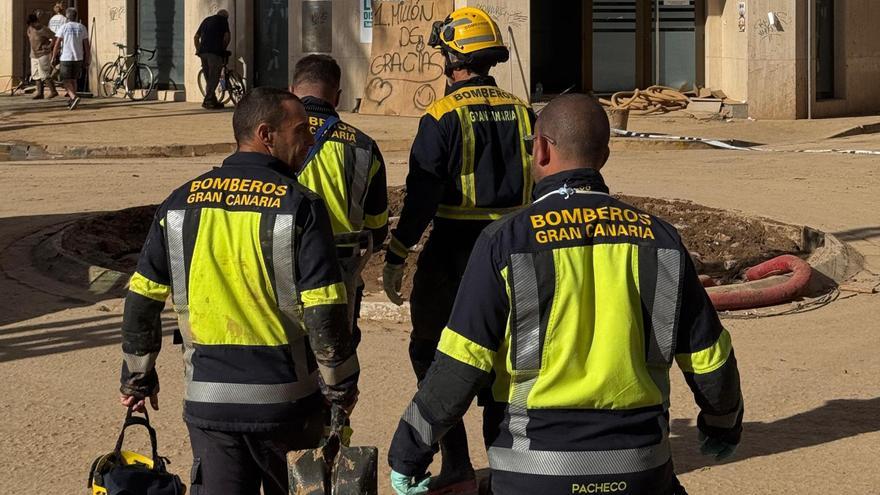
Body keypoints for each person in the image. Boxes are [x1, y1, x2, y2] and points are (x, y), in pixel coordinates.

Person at [387, 94, 744, 495]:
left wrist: (409, 452)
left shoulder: (505, 242)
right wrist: (723, 424)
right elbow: (708, 357)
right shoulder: (659, 240)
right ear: (604, 155)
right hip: (641, 468)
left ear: (539, 149)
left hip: (532, 472)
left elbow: (461, 363)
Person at [117, 87, 360, 495]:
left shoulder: (180, 203)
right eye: (301, 131)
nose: (310, 141)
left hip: (209, 403)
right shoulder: (300, 206)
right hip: (287, 404)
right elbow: (324, 309)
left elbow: (141, 300)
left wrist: (136, 381)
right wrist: (341, 387)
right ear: (267, 135)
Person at [382, 7, 535, 492]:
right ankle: (506, 468)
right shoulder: (522, 110)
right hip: (516, 249)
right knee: (505, 363)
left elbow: (422, 195)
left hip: (454, 252)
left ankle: (457, 464)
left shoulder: (442, 116)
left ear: (453, 58)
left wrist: (397, 252)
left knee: (432, 353)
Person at [289, 54, 389, 347]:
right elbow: (378, 226)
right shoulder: (362, 146)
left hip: (283, 262)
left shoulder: (275, 139)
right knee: (336, 357)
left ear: (291, 90)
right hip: (341, 272)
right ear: (339, 96)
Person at [51, 8, 89, 110]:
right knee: (73, 80)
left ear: (67, 17)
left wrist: (53, 57)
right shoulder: (82, 27)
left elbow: (57, 44)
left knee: (65, 80)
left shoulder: (63, 27)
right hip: (78, 57)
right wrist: (87, 58)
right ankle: (72, 101)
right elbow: (86, 45)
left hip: (66, 57)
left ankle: (74, 97)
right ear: (75, 16)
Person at [194, 9, 231, 109]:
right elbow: (227, 37)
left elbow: (196, 37)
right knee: (214, 77)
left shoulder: (206, 20)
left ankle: (213, 100)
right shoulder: (223, 20)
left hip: (203, 53)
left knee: (208, 77)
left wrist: (198, 49)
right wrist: (223, 49)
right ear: (226, 17)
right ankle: (207, 101)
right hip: (214, 53)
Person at [26, 13, 58, 99]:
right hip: (33, 54)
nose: (33, 26)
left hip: (43, 54)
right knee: (35, 74)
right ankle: (40, 93)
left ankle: (53, 91)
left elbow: (55, 37)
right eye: (31, 25)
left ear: (36, 21)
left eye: (33, 24)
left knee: (44, 74)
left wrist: (49, 46)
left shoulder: (44, 29)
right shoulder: (30, 29)